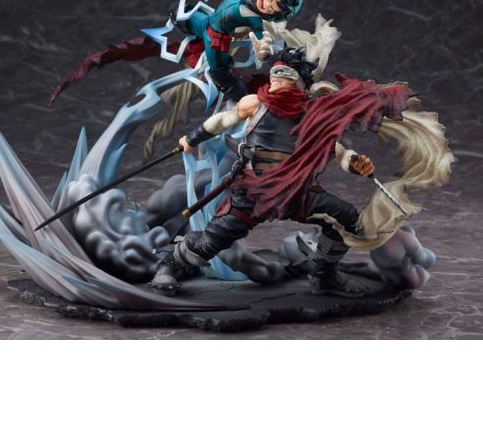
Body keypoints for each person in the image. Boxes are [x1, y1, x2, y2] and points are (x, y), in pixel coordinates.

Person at [151, 47, 382, 296]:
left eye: (284, 75)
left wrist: (354, 161)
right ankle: (169, 264)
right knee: (213, 239)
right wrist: (192, 139)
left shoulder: (312, 116)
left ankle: (324, 275)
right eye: (275, 74)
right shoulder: (255, 103)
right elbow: (221, 122)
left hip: (297, 191)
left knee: (344, 217)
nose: (276, 78)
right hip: (255, 190)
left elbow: (335, 149)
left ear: (300, 84)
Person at [174, 0, 304, 101]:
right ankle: (194, 42)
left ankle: (242, 96)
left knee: (221, 76)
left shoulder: (254, 18)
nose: (267, 5)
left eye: (272, 9)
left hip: (216, 40)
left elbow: (262, 41)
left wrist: (263, 53)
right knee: (178, 14)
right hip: (205, 22)